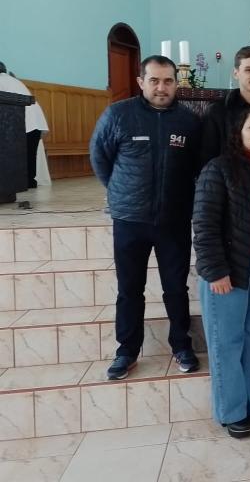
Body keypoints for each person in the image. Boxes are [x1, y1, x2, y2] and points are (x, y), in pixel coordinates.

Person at [89, 55, 201, 380]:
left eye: (168, 81)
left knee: (175, 289)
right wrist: (119, 189)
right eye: (154, 80)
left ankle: (181, 345)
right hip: (129, 221)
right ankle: (126, 351)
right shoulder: (118, 115)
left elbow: (197, 167)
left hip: (173, 220)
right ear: (141, 82)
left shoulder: (189, 122)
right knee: (129, 289)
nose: (161, 87)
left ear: (176, 84)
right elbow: (99, 155)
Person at [192, 107, 250, 439]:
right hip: (228, 269)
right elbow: (204, 224)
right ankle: (231, 410)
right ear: (238, 132)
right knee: (227, 341)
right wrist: (215, 271)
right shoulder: (218, 169)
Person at [0, 63, 49, 188]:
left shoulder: (2, 80)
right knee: (30, 154)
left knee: (16, 154)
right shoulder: (13, 80)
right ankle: (30, 182)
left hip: (22, 119)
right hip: (34, 119)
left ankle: (19, 183)